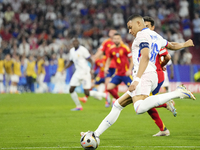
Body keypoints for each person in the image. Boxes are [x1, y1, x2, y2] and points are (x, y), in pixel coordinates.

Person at [81, 14, 195, 142]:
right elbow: (171, 45)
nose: (129, 31)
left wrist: (136, 80)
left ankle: (177, 93)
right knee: (118, 105)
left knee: (139, 108)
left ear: (139, 24)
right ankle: (95, 134)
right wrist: (184, 44)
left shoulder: (141, 35)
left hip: (145, 74)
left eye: (130, 27)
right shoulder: (155, 35)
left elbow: (145, 56)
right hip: (150, 73)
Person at [143, 16, 176, 136]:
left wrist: (161, 65)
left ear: (153, 27)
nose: (144, 29)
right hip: (148, 74)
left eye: (147, 26)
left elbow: (167, 56)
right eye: (143, 26)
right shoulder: (142, 39)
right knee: (145, 104)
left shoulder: (155, 40)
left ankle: (166, 103)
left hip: (155, 74)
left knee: (144, 102)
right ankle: (163, 129)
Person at [65, 38, 109, 111]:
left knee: (87, 93)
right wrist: (64, 68)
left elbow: (91, 60)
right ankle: (79, 106)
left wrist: (91, 70)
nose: (75, 43)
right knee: (71, 89)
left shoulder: (83, 50)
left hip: (85, 73)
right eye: (74, 42)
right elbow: (71, 61)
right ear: (72, 43)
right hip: (77, 72)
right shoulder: (72, 51)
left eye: (76, 41)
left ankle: (104, 95)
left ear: (79, 42)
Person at [105, 33, 133, 105]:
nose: (116, 40)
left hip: (126, 73)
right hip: (118, 74)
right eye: (115, 39)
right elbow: (109, 58)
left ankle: (137, 103)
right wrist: (106, 67)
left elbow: (132, 60)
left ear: (120, 39)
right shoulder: (111, 49)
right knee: (109, 87)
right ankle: (119, 101)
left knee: (133, 90)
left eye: (118, 39)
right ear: (113, 40)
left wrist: (129, 70)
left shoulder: (125, 47)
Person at [93, 30, 118, 106]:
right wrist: (94, 57)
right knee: (107, 84)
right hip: (108, 66)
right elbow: (100, 51)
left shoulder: (118, 43)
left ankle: (115, 100)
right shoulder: (106, 42)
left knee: (115, 83)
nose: (112, 33)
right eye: (111, 32)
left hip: (117, 66)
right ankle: (108, 100)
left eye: (113, 32)